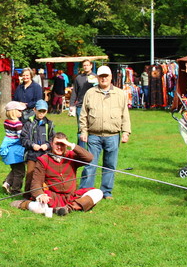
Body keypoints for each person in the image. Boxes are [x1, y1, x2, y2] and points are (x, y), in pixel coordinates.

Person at [12, 132, 103, 216]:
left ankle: (68, 208)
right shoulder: (43, 160)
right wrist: (41, 194)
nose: (59, 147)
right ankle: (25, 204)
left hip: (70, 196)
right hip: (52, 196)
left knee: (98, 193)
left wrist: (71, 145)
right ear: (51, 144)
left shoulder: (71, 156)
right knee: (40, 207)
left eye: (62, 144)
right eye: (57, 144)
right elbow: (36, 183)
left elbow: (89, 158)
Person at [79, 65, 131, 200]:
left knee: (110, 165)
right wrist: (83, 131)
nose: (103, 79)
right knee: (90, 165)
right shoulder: (90, 93)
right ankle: (85, 191)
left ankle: (106, 192)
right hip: (93, 135)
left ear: (111, 77)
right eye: (101, 76)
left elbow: (125, 114)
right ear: (97, 77)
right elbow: (84, 114)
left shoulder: (120, 94)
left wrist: (126, 132)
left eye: (106, 76)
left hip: (113, 135)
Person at [20, 99, 54, 194]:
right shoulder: (28, 123)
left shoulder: (49, 124)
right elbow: (23, 139)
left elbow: (53, 140)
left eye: (44, 111)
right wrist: (32, 145)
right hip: (32, 154)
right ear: (34, 110)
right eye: (40, 111)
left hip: (45, 155)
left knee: (44, 176)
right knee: (30, 175)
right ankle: (27, 195)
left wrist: (47, 145)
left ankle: (42, 194)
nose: (42, 113)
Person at [0, 103, 27, 194]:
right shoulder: (17, 124)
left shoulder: (6, 121)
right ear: (13, 112)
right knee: (20, 171)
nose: (21, 112)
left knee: (15, 169)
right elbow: (20, 137)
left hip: (8, 147)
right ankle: (15, 189)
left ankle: (7, 182)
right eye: (19, 111)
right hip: (16, 149)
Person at [69, 59, 95, 139]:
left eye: (87, 65)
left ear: (91, 66)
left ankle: (91, 149)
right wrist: (71, 104)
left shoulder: (95, 77)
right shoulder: (78, 78)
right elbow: (75, 92)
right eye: (84, 65)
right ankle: (80, 150)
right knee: (81, 129)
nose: (86, 67)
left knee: (92, 128)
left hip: (93, 106)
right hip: (80, 105)